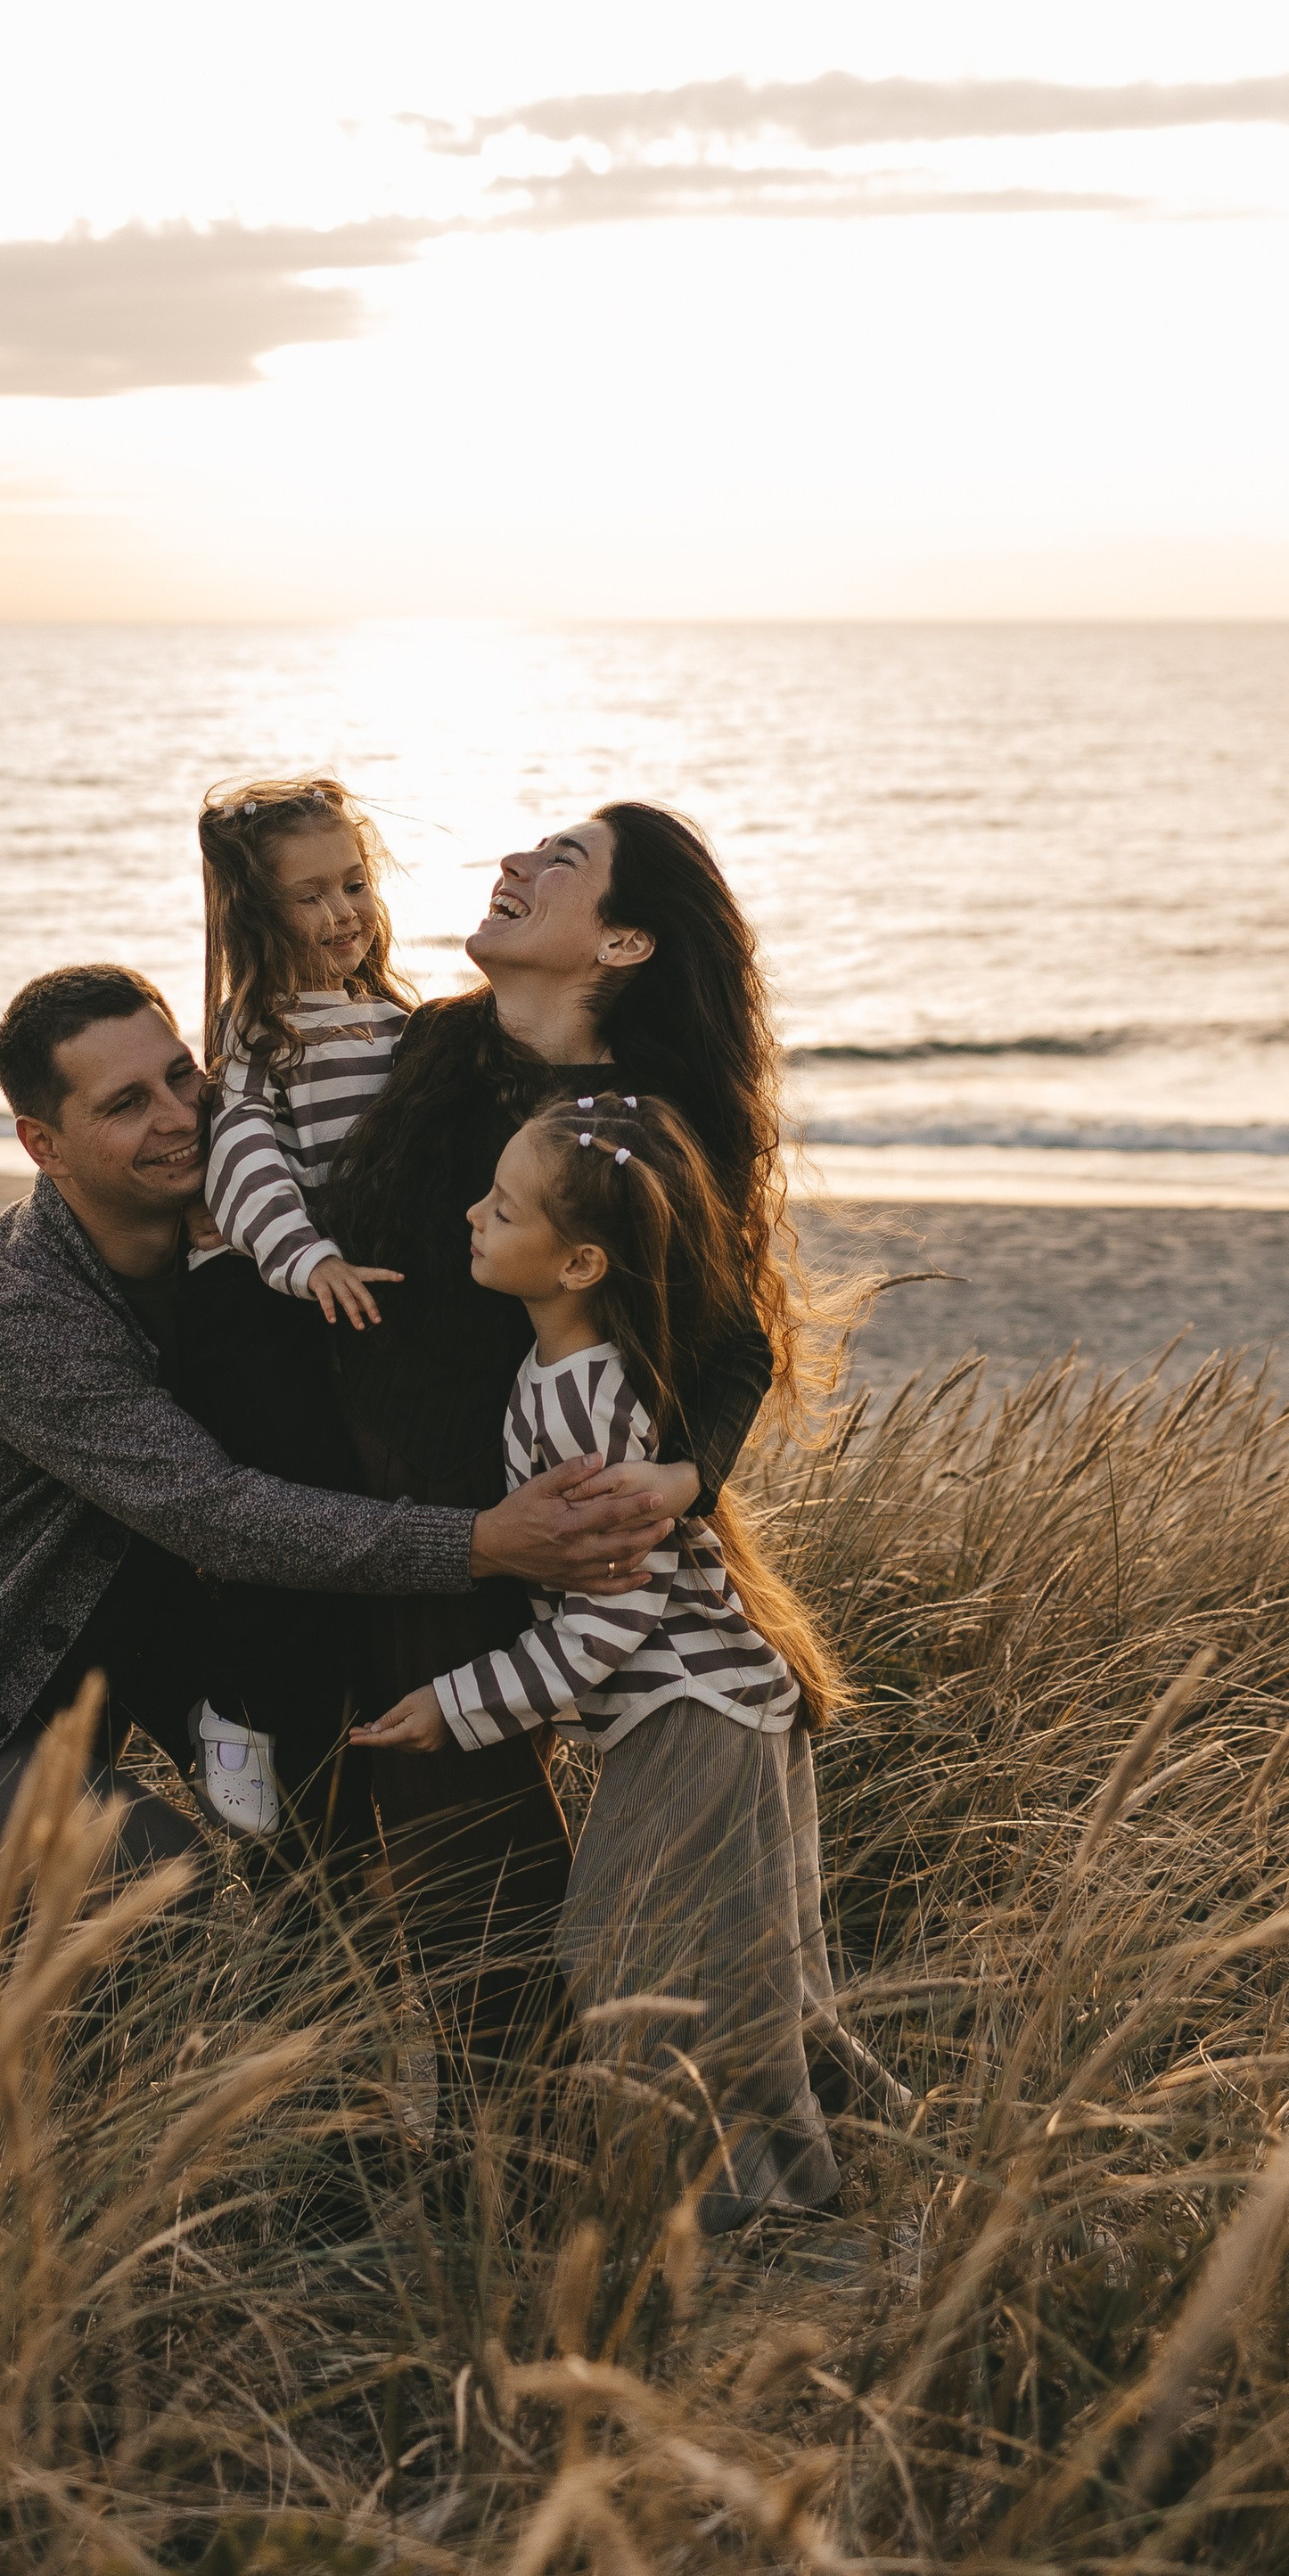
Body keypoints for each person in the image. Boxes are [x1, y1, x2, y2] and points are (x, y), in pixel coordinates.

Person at [0, 963, 669, 2032]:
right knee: (155, 1905)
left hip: (82, 1674)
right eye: (128, 1104)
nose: (179, 1120)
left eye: (184, 1078)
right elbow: (214, 1510)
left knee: (79, 1991)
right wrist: (482, 1544)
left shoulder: (223, 1243)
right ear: (44, 1145)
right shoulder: (24, 1321)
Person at [321, 803, 813, 2095]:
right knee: (374, 1895)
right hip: (372, 1534)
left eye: (563, 862)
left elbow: (734, 1344)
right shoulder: (428, 1051)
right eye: (527, 848)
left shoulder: (648, 1130)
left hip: (541, 1553)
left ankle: (570, 2186)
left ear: (628, 941)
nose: (515, 864)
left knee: (536, 1934)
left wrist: (686, 1474)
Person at [350, 1096, 855, 2226]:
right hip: (705, 1700)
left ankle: (741, 2204)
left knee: (628, 1964)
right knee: (748, 1955)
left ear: (577, 1260)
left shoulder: (587, 1399)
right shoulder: (567, 1368)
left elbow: (609, 1620)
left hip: (693, 1706)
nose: (472, 1215)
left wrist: (456, 1705)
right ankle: (812, 2168)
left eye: (502, 1206)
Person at [181, 775, 415, 1830]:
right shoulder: (263, 1036)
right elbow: (246, 1168)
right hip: (313, 1293)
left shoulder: (397, 1019)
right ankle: (241, 1718)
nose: (341, 913)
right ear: (254, 919)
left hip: (382, 1302)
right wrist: (304, 1257)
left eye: (354, 883)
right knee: (303, 1536)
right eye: (307, 897)